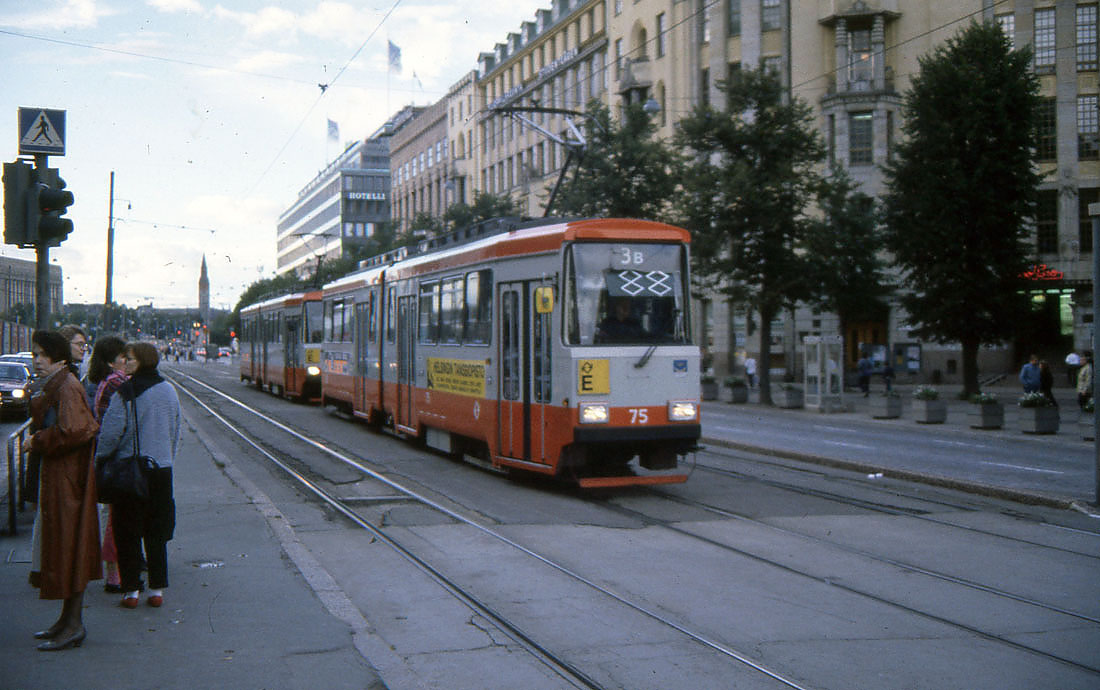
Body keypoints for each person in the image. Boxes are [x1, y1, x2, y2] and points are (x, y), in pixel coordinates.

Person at [26, 330, 101, 651]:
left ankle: (73, 625)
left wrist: (37, 441)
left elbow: (74, 430)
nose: (36, 360)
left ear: (57, 356)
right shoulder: (63, 382)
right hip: (63, 478)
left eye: (41, 354)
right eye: (35, 355)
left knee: (69, 547)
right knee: (65, 547)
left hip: (67, 481)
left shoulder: (66, 385)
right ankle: (66, 621)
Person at [96, 342, 182, 609]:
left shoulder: (127, 391)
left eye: (130, 358)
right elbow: (176, 430)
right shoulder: (169, 390)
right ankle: (157, 590)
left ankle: (131, 591)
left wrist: (101, 459)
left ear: (143, 361)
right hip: (161, 471)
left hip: (130, 472)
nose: (126, 361)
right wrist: (166, 458)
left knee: (127, 531)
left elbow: (111, 433)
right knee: (156, 532)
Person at [86, 335, 130, 594]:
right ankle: (115, 575)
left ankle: (116, 571)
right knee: (117, 518)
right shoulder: (117, 383)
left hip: (109, 456)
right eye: (123, 356)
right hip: (117, 459)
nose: (126, 360)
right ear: (111, 361)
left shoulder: (104, 381)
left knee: (115, 516)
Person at [58, 324, 94, 403]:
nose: (84, 349)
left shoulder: (74, 371)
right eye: (80, 344)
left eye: (85, 345)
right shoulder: (60, 373)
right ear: (65, 344)